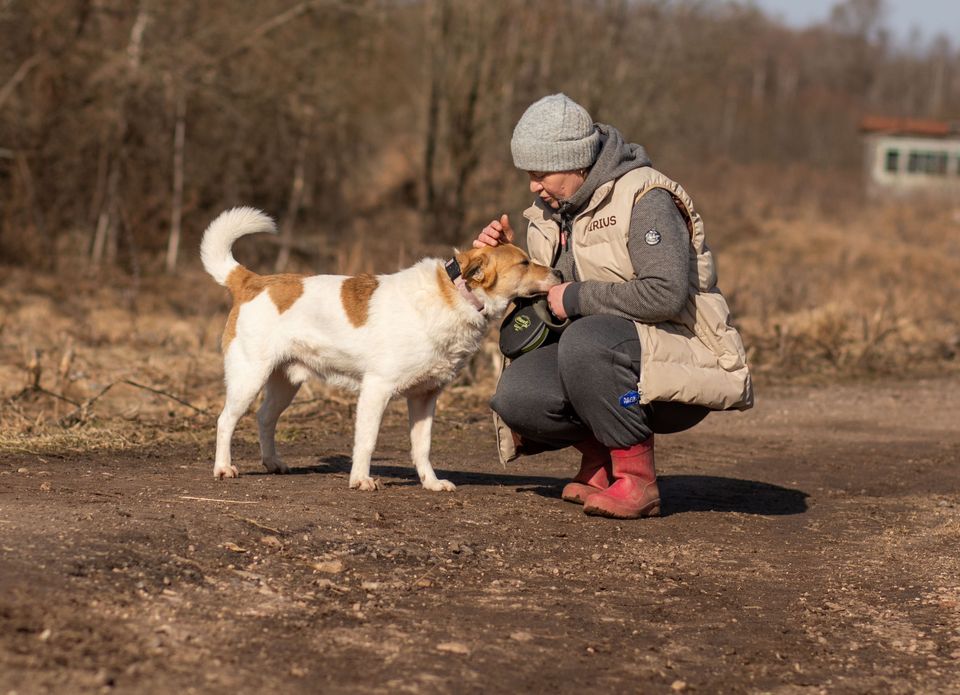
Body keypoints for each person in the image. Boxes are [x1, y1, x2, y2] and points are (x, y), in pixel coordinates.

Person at [475, 93, 753, 520]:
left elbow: (665, 293)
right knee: (518, 395)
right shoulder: (552, 212)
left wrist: (577, 297)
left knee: (588, 340)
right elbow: (550, 305)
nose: (533, 186)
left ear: (575, 160)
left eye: (539, 173)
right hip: (605, 355)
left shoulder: (646, 198)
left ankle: (637, 480)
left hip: (683, 355)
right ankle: (601, 461)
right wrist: (498, 262)